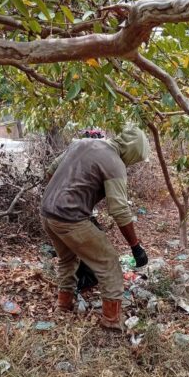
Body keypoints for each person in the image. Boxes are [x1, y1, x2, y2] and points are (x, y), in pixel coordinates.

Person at [41, 124, 149, 329]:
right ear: (133, 151)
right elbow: (119, 210)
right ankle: (112, 320)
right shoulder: (115, 163)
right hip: (70, 219)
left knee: (67, 259)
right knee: (109, 262)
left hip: (47, 214)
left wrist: (72, 198)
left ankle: (64, 305)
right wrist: (135, 247)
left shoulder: (82, 143)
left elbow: (51, 172)